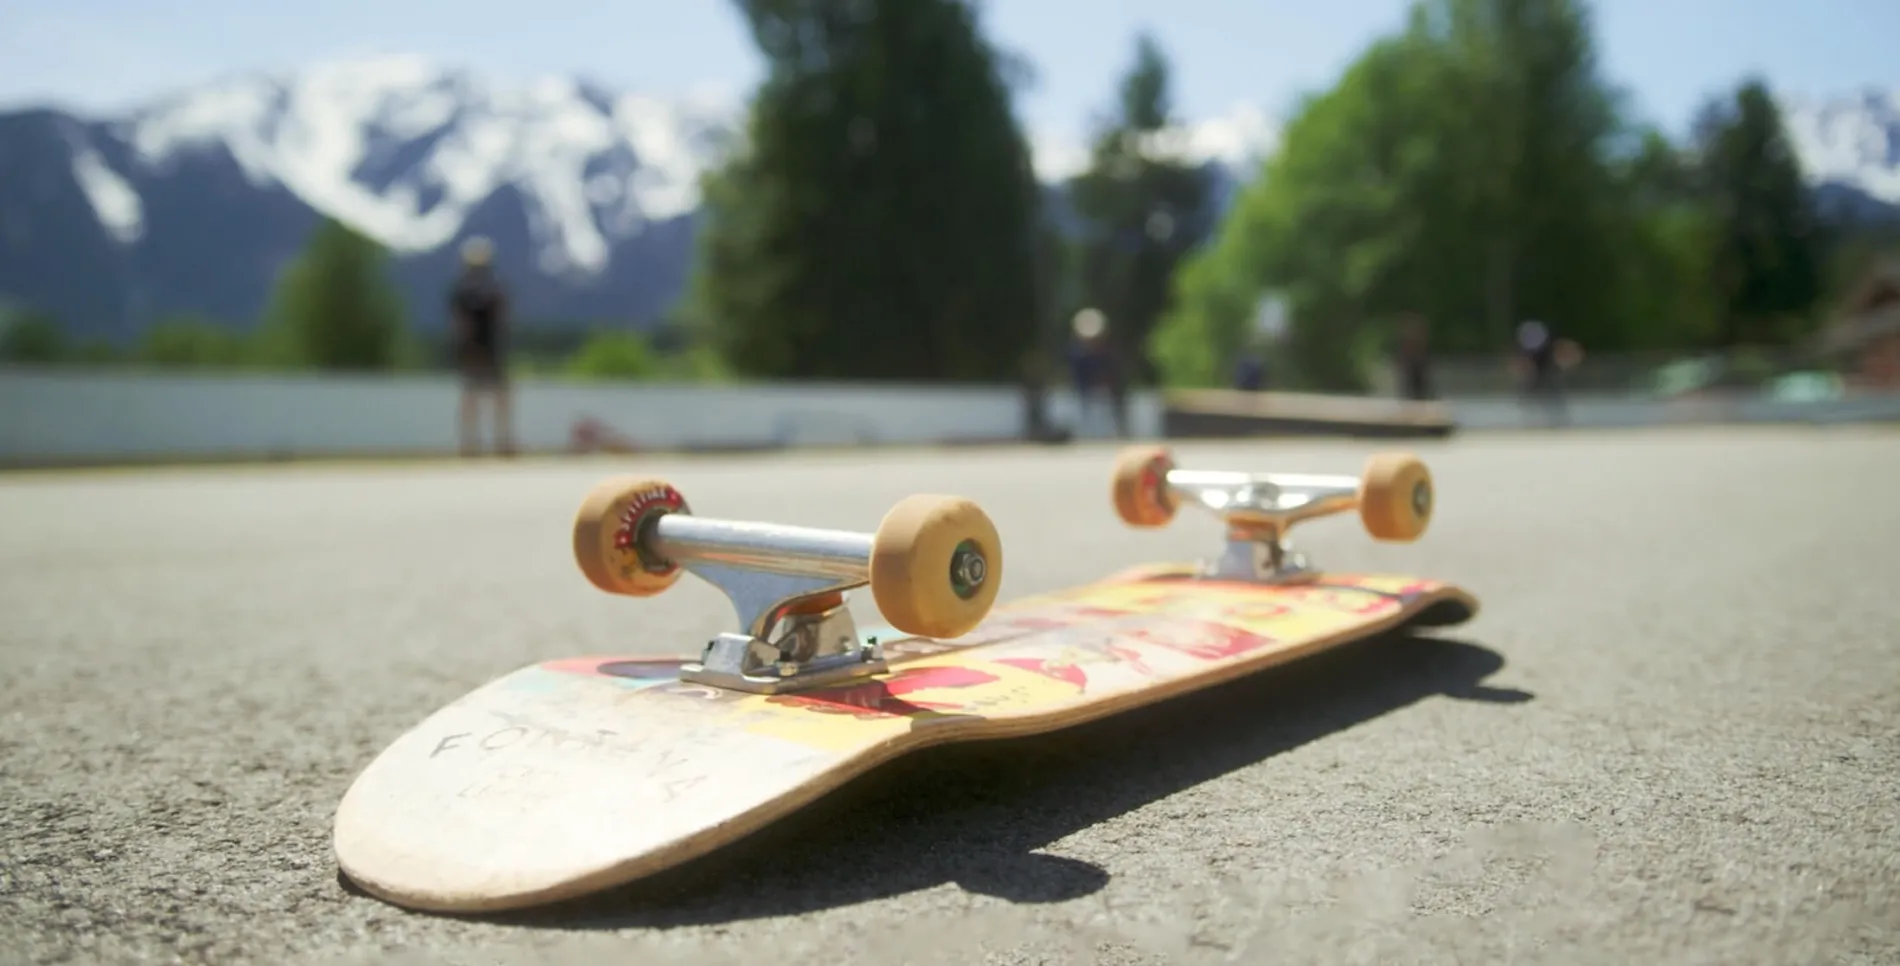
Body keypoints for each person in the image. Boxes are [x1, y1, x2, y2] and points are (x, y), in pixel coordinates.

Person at [449, 236, 514, 456]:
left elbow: (459, 321)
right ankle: (484, 442)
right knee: (480, 396)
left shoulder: (466, 288)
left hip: (479, 348)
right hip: (480, 348)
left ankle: (484, 442)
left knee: (483, 396)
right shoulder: (485, 287)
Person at [1394, 313, 1434, 401]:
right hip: (1412, 364)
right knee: (1411, 385)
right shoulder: (1409, 337)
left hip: (1417, 363)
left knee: (1419, 385)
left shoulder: (1417, 336)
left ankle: (1419, 399)